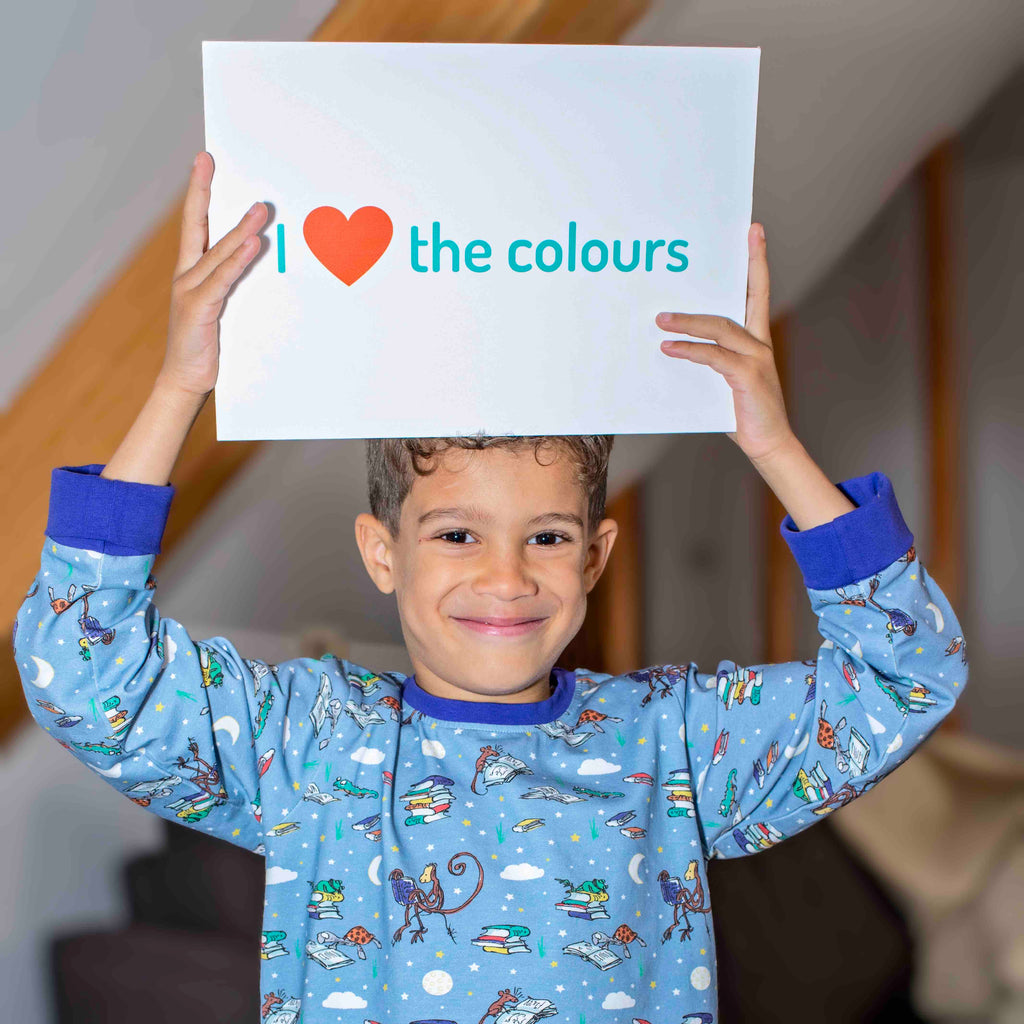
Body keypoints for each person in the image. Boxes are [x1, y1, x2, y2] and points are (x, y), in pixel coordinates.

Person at [15, 150, 968, 1024]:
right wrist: (179, 386)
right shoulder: (308, 743)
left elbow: (910, 674)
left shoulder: (672, 742)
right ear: (383, 553)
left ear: (593, 558)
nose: (506, 577)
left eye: (546, 537)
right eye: (458, 534)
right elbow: (81, 673)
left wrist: (775, 446)